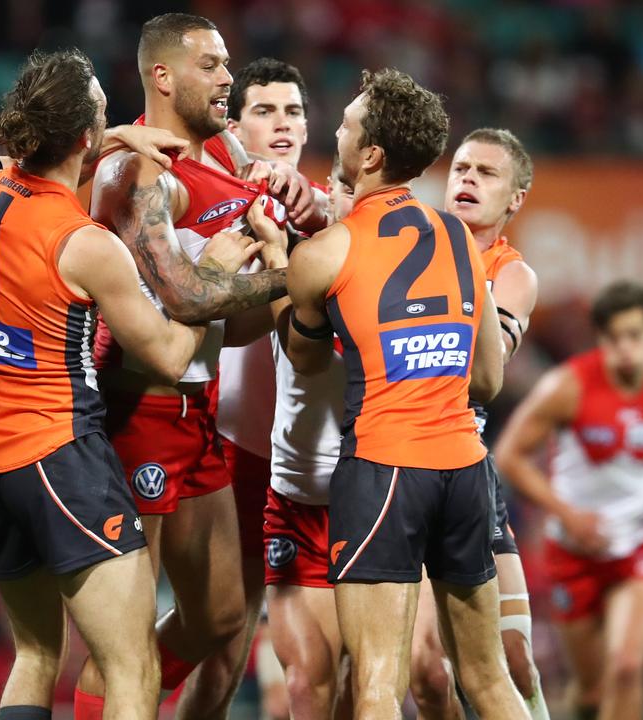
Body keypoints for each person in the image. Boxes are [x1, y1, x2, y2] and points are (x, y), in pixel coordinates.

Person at [0, 48, 257, 719]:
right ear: (85, 140)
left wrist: (113, 136)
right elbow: (174, 352)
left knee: (35, 655)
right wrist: (221, 275)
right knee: (131, 665)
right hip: (59, 459)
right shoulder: (85, 243)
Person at [74, 13, 325, 719]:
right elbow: (184, 298)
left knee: (217, 618)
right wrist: (291, 274)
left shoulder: (228, 172)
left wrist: (280, 263)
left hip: (200, 412)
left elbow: (234, 323)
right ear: (162, 76)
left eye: (225, 65)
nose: (226, 78)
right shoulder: (134, 170)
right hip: (136, 415)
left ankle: (128, 702)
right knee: (121, 642)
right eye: (211, 65)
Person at [284, 67, 526, 720]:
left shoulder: (325, 253)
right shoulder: (459, 237)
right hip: (465, 471)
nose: (334, 128)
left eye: (346, 123)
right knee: (489, 677)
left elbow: (305, 361)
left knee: (376, 686)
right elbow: (489, 380)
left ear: (370, 154)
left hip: (385, 470)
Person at [494, 281, 643, 720]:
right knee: (592, 691)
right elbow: (509, 456)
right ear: (599, 338)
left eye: (635, 336)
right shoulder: (566, 387)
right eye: (613, 338)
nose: (624, 349)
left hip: (642, 544)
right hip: (575, 551)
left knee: (628, 668)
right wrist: (566, 515)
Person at [408, 128, 549, 720]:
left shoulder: (513, 275)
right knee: (425, 673)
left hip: (466, 468)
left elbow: (479, 370)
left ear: (515, 199)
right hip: (397, 458)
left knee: (511, 657)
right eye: (461, 168)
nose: (466, 179)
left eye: (486, 174)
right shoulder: (409, 245)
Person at [202, 56, 320, 713]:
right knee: (223, 647)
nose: (281, 123)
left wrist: (319, 206)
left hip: (321, 464)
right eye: (264, 110)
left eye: (293, 111)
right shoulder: (219, 198)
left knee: (319, 670)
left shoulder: (330, 210)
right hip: (240, 453)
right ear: (234, 125)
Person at [262, 159, 353, 718]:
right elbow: (299, 350)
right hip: (293, 500)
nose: (334, 196)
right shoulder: (298, 255)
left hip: (366, 500)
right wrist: (276, 255)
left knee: (362, 685)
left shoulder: (384, 273)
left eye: (346, 188)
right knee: (305, 686)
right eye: (333, 186)